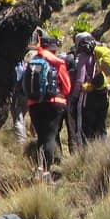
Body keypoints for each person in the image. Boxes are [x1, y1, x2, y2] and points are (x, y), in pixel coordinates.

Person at [24, 35, 72, 179]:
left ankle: (39, 169)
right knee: (50, 137)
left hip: (34, 104)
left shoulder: (32, 62)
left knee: (41, 137)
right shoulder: (57, 63)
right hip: (54, 103)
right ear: (53, 49)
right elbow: (67, 88)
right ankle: (46, 172)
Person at [67, 32, 110, 147]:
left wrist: (74, 97)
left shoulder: (83, 56)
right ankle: (102, 152)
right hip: (103, 95)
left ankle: (85, 154)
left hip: (87, 97)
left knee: (85, 130)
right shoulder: (100, 52)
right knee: (101, 128)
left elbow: (80, 80)